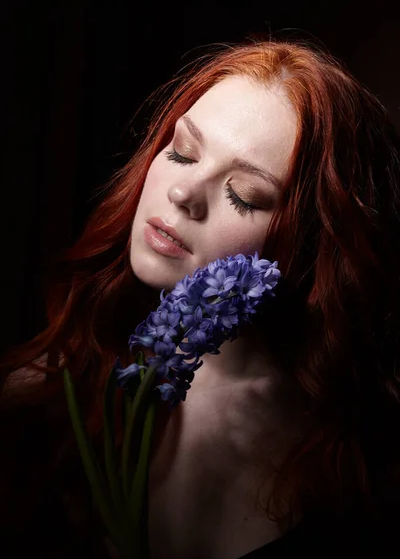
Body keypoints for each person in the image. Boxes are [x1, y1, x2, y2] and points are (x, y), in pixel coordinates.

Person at [1, 38, 400, 558]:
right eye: (182, 151)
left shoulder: (359, 467)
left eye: (243, 195)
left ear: (315, 247)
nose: (182, 194)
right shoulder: (46, 393)